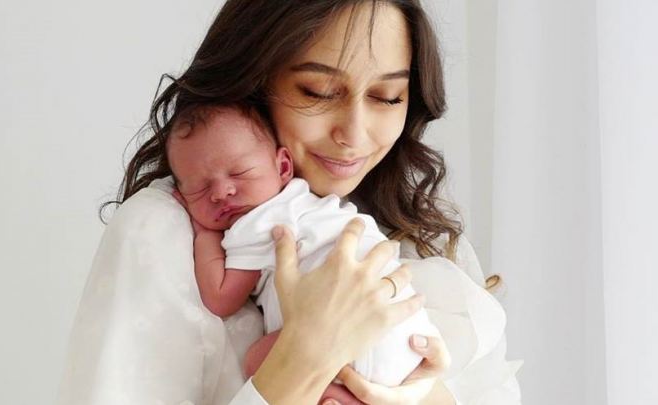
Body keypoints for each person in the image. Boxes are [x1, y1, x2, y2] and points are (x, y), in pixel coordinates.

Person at [57, 1, 523, 405]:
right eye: (317, 92)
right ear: (254, 79)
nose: (354, 135)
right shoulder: (166, 230)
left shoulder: (415, 234)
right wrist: (305, 353)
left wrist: (424, 393)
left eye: (387, 97)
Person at [166, 102, 442, 403]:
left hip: (354, 334)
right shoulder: (307, 202)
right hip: (408, 335)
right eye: (199, 189)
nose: (221, 193)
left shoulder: (256, 223)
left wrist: (204, 233)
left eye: (239, 173)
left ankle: (346, 398)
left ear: (283, 167)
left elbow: (221, 298)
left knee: (256, 361)